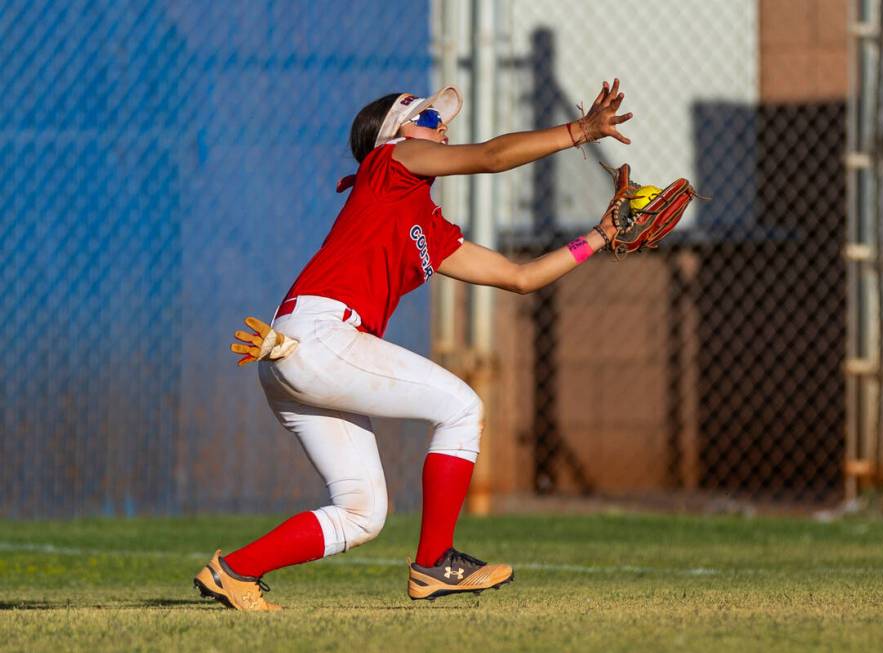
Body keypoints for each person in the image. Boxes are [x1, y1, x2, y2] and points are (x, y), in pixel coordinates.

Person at [193, 79, 632, 611]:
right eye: (427, 118)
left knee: (361, 513)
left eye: (439, 119)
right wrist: (580, 131)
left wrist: (600, 237)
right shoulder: (389, 163)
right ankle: (434, 562)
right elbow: (493, 157)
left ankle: (235, 571)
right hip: (321, 336)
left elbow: (520, 277)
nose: (441, 125)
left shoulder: (423, 220)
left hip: (296, 353)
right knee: (463, 408)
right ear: (393, 137)